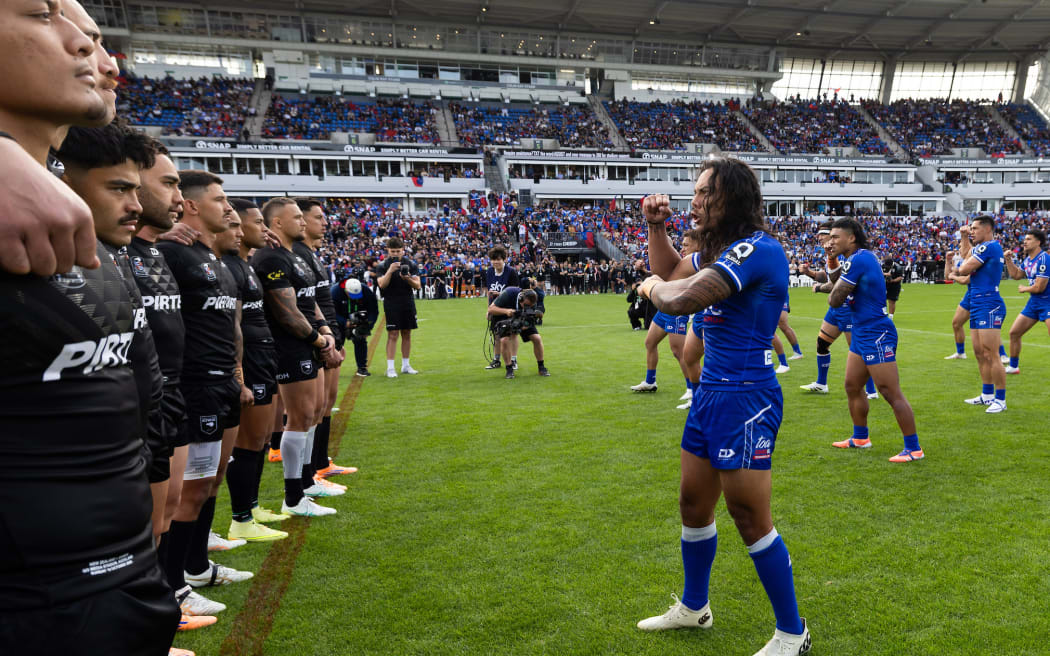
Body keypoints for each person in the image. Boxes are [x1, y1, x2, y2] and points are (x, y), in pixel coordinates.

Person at [635, 158, 810, 656]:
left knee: (750, 516)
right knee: (693, 504)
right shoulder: (719, 249)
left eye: (703, 193)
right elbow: (669, 269)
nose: (693, 201)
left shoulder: (758, 249)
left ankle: (793, 633)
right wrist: (656, 226)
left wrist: (650, 290)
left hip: (747, 397)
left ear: (729, 197)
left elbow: (679, 296)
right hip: (710, 393)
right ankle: (695, 607)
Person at [156, 170, 254, 617]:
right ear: (192, 206)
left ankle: (196, 567)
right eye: (219, 200)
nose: (229, 208)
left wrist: (235, 373)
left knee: (208, 482)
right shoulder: (172, 253)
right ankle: (174, 587)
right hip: (193, 388)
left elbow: (230, 326)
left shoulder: (212, 258)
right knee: (185, 494)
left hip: (222, 384)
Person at [252, 197, 340, 517]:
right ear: (277, 223)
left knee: (312, 412)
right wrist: (319, 338)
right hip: (289, 345)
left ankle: (306, 482)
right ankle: (293, 496)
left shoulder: (295, 257)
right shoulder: (272, 258)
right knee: (299, 416)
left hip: (308, 342)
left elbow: (308, 301)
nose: (302, 222)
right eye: (296, 218)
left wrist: (325, 330)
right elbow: (287, 313)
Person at [817, 218, 923, 462]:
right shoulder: (851, 259)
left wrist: (831, 290)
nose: (830, 241)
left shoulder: (860, 258)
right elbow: (836, 286)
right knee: (852, 386)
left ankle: (914, 448)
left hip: (876, 331)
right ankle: (860, 438)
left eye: (835, 237)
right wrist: (832, 262)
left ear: (851, 238)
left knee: (889, 391)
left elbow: (834, 299)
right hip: (862, 331)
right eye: (829, 237)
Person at [221, 199, 289, 542]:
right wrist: (240, 377)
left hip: (264, 358)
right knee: (247, 443)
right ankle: (241, 518)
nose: (264, 229)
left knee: (261, 439)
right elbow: (232, 325)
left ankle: (253, 505)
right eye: (257, 223)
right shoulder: (230, 267)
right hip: (248, 362)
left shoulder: (247, 264)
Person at [293, 199, 354, 486]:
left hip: (329, 336)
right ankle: (312, 470)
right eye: (318, 217)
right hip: (318, 341)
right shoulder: (298, 256)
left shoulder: (312, 255)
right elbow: (306, 305)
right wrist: (324, 339)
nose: (325, 222)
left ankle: (320, 463)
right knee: (314, 409)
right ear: (302, 221)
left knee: (325, 405)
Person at [799, 224, 878, 400]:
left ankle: (871, 391)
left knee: (858, 350)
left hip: (848, 309)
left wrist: (819, 288)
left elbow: (836, 286)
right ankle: (821, 384)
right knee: (821, 343)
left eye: (825, 235)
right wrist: (810, 273)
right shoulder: (833, 255)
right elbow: (828, 276)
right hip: (835, 310)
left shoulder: (851, 257)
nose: (819, 238)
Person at [630, 232, 701, 406]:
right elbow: (665, 274)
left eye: (686, 245)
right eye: (681, 245)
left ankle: (692, 390)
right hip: (666, 308)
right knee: (650, 342)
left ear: (697, 245)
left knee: (681, 353)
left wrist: (649, 282)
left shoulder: (695, 260)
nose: (683, 248)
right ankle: (650, 381)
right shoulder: (685, 261)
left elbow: (669, 278)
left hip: (677, 309)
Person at [952, 215, 1008, 413]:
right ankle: (987, 395)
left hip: (988, 302)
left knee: (991, 354)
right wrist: (965, 240)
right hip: (977, 302)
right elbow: (967, 255)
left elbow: (965, 268)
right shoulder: (980, 248)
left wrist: (958, 267)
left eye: (975, 228)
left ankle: (1000, 399)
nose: (972, 231)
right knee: (979, 353)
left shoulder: (990, 246)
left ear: (987, 229)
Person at [1003, 229, 1050, 374]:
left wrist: (1025, 288)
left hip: (1047, 302)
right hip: (1034, 303)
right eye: (1025, 239)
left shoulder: (1044, 259)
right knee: (1014, 333)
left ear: (1038, 242)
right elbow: (1016, 275)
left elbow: (1040, 287)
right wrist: (1008, 260)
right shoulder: (1028, 260)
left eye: (1029, 239)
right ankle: (1013, 366)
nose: (1025, 241)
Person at [375, 236, 422, 377]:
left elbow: (418, 285)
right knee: (393, 334)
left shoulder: (410, 264)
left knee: (407, 333)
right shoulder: (382, 266)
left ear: (403, 250)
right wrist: (390, 270)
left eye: (398, 251)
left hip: (407, 301)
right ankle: (390, 368)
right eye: (392, 251)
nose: (395, 254)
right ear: (388, 250)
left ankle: (406, 365)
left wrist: (407, 278)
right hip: (391, 302)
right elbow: (382, 284)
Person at [486, 287, 550, 379]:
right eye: (526, 305)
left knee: (537, 338)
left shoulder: (532, 302)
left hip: (521, 320)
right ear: (520, 299)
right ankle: (509, 369)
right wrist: (507, 311)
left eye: (531, 305)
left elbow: (530, 322)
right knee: (504, 340)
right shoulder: (508, 293)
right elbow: (491, 309)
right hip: (504, 317)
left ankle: (541, 367)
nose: (527, 307)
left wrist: (520, 327)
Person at [333, 276, 380, 376]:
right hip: (340, 318)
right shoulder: (334, 292)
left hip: (359, 317)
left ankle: (362, 368)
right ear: (345, 290)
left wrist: (368, 326)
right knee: (337, 342)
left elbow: (374, 310)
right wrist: (344, 322)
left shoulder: (366, 290)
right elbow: (331, 312)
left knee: (361, 340)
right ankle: (332, 368)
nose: (355, 298)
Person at [483, 245, 521, 369]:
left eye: (498, 259)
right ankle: (496, 360)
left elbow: (516, 292)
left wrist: (500, 294)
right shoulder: (489, 272)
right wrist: (489, 309)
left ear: (504, 259)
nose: (496, 262)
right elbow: (490, 292)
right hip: (496, 308)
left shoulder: (511, 272)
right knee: (496, 334)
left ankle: (513, 360)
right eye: (493, 259)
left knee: (513, 334)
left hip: (510, 307)